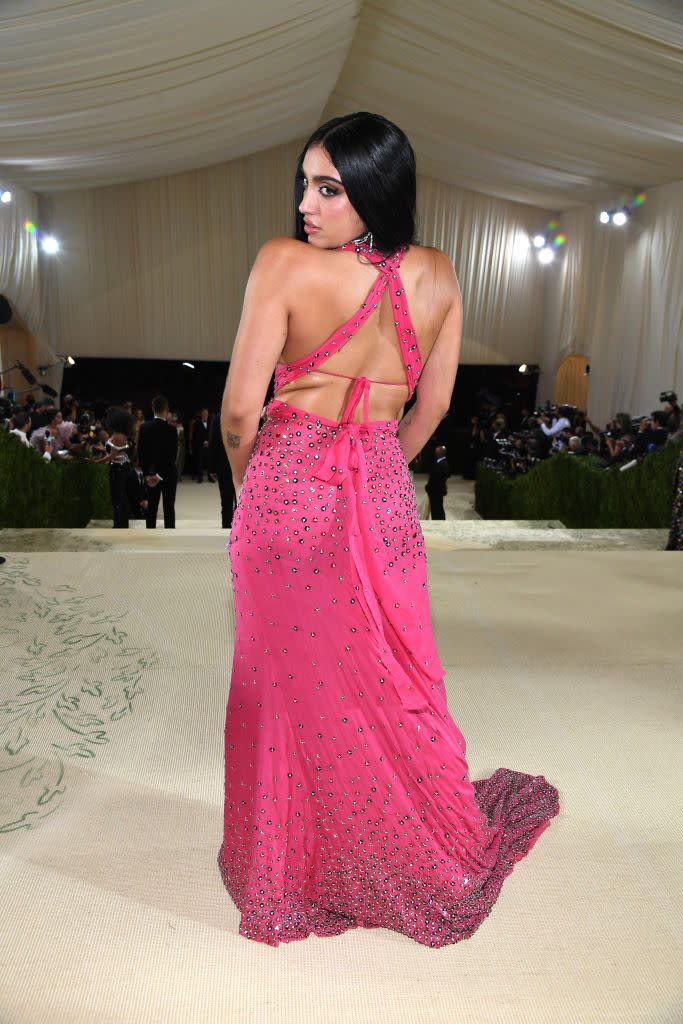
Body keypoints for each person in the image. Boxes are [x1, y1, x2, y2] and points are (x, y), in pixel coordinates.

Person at [218, 111, 558, 948]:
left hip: (286, 484)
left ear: (374, 189)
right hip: (381, 493)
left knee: (290, 679)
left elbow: (235, 411)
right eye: (304, 184)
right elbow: (434, 404)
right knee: (387, 671)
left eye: (328, 188)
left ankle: (294, 858)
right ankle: (390, 837)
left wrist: (252, 481)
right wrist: (378, 469)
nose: (306, 204)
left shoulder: (282, 265)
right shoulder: (441, 274)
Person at [137, 395, 178, 529]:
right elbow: (172, 457)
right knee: (169, 507)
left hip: (150, 474)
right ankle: (170, 537)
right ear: (167, 409)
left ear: (153, 408)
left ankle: (150, 538)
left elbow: (141, 454)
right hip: (168, 474)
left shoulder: (144, 428)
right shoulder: (172, 430)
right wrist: (160, 475)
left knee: (152, 508)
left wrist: (149, 475)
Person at [95, 407, 135, 529]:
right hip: (121, 467)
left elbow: (112, 455)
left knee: (118, 496)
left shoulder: (118, 436)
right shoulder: (121, 434)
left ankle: (120, 524)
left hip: (118, 469)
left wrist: (97, 461)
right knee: (120, 496)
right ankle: (121, 523)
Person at [208, 413, 236, 528]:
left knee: (226, 502)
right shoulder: (246, 416)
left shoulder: (217, 418)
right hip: (242, 466)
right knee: (241, 502)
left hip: (223, 465)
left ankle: (226, 529)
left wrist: (212, 468)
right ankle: (239, 533)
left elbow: (213, 443)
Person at [425, 444, 450, 519]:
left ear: (442, 453)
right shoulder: (439, 462)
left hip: (437, 491)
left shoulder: (443, 464)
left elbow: (437, 479)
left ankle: (439, 521)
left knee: (437, 508)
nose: (436, 452)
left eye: (438, 451)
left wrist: (429, 487)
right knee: (436, 508)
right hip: (435, 490)